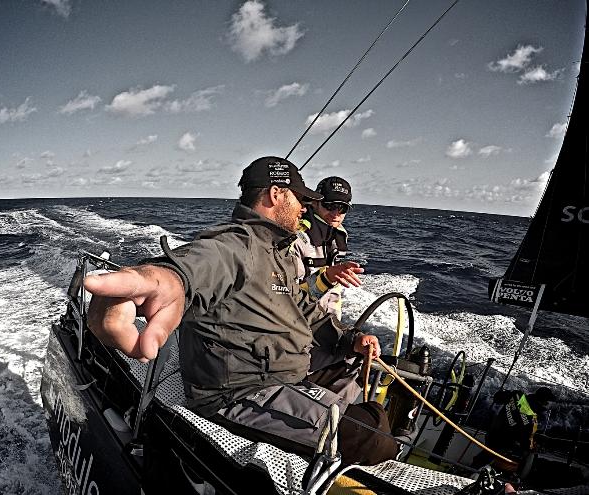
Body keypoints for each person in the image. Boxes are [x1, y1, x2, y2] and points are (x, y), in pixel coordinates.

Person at [85, 156, 397, 466]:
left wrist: (350, 339)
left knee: (354, 378)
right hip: (242, 391)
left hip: (288, 372)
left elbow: (303, 309)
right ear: (276, 194)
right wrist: (161, 281)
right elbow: (198, 265)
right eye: (299, 199)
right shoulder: (237, 244)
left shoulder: (280, 255)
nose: (304, 208)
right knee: (372, 438)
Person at [292, 176, 363, 319]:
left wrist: (335, 327)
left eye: (342, 208)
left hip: (321, 326)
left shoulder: (337, 237)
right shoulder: (296, 239)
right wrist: (326, 278)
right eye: (330, 205)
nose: (336, 213)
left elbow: (333, 292)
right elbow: (289, 298)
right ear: (315, 202)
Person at [472, 387, 555, 469]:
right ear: (542, 402)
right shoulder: (532, 418)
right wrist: (533, 448)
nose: (548, 405)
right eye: (547, 402)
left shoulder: (517, 395)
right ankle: (475, 470)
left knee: (488, 454)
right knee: (511, 456)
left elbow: (497, 398)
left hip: (492, 433)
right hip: (504, 442)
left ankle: (475, 468)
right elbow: (526, 441)